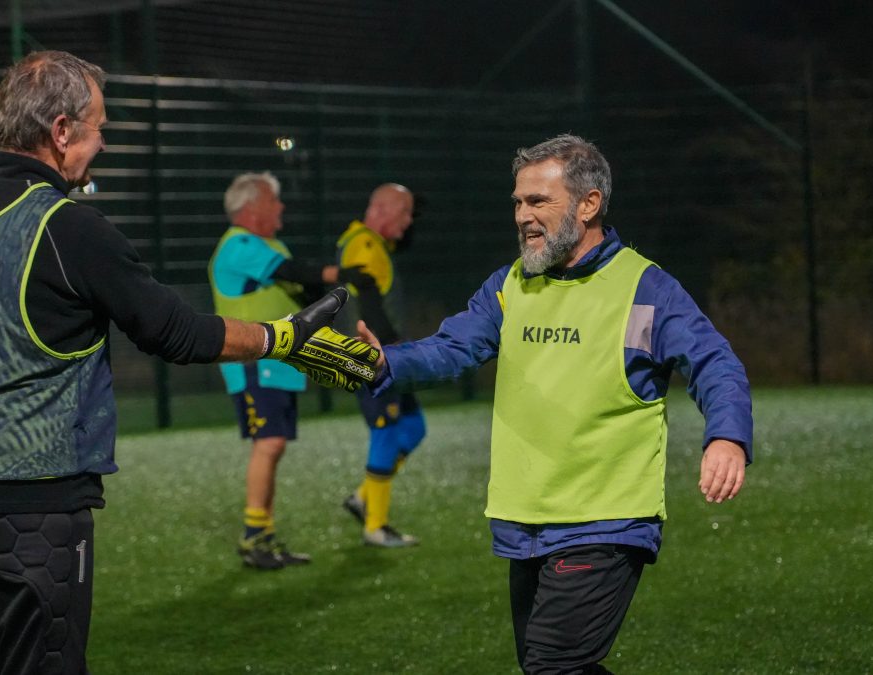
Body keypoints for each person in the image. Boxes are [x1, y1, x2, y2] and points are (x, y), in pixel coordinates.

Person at [0, 51, 375, 675]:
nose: (103, 143)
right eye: (98, 127)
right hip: (38, 504)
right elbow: (176, 333)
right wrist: (284, 338)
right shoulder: (69, 228)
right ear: (60, 132)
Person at [355, 135, 753, 673]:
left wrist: (726, 436)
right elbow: (450, 349)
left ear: (589, 204)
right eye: (518, 202)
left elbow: (714, 362)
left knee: (554, 666)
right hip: (525, 520)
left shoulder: (643, 289)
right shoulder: (510, 285)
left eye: (539, 201)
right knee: (552, 666)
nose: (523, 215)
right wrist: (383, 364)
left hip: (604, 520)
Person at [209, 171, 376, 570]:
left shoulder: (268, 245)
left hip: (277, 364)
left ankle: (262, 536)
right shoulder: (240, 244)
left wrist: (336, 288)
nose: (280, 206)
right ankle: (254, 538)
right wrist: (343, 275)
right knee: (269, 443)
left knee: (274, 443)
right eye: (273, 200)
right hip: (252, 362)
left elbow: (303, 290)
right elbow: (294, 274)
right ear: (251, 208)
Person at [337, 183, 427, 547]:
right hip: (372, 359)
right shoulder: (364, 244)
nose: (408, 222)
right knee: (386, 432)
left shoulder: (372, 244)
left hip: (385, 358)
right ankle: (376, 526)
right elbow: (368, 302)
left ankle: (363, 498)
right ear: (385, 209)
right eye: (404, 213)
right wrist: (391, 349)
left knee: (413, 428)